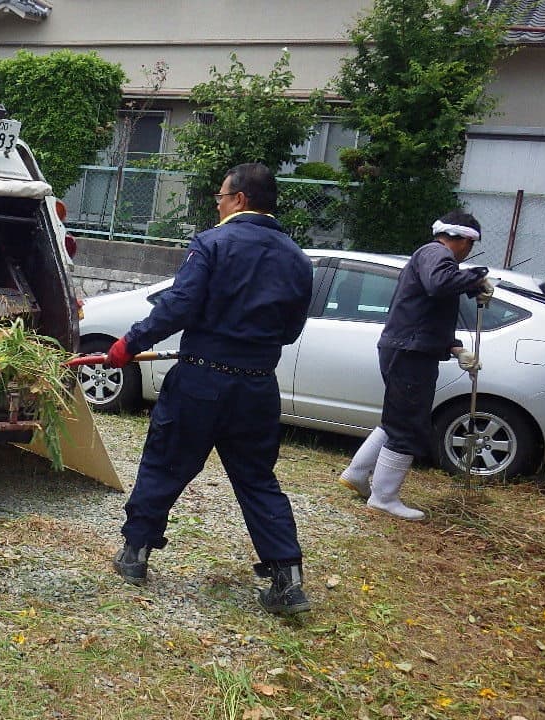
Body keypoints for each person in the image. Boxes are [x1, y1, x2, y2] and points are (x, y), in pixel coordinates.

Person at [107, 163, 315, 616]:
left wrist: (129, 344)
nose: (217, 203)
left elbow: (179, 305)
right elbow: (292, 330)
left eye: (221, 196)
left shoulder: (212, 243)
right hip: (258, 386)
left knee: (166, 463)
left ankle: (135, 553)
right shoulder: (298, 259)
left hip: (202, 380)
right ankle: (288, 579)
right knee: (258, 480)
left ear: (239, 199)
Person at [338, 211, 493, 520]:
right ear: (463, 240)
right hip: (410, 352)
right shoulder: (436, 254)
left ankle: (356, 474)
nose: (469, 253)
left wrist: (454, 347)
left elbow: (425, 311)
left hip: (407, 348)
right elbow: (438, 285)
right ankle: (383, 497)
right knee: (409, 424)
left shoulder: (430, 257)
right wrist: (478, 276)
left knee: (397, 418)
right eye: (471, 245)